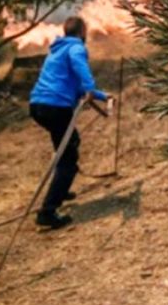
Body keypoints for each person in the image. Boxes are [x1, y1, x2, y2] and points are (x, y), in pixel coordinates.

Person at [28, 15, 109, 229]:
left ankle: (61, 189)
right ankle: (47, 212)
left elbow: (74, 86)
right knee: (68, 157)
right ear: (82, 32)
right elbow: (80, 70)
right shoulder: (75, 48)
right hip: (56, 107)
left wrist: (102, 96)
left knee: (68, 144)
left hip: (38, 105)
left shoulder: (56, 51)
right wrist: (91, 88)